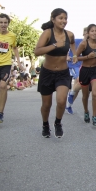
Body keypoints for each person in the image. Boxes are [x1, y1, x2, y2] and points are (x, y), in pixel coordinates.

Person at [34, 8, 77, 138]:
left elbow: (73, 44)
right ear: (53, 19)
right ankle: (45, 124)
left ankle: (58, 123)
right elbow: (37, 51)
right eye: (60, 18)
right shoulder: (47, 33)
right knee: (47, 104)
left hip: (63, 73)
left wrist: (74, 54)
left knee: (62, 100)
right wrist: (54, 45)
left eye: (65, 18)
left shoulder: (69, 35)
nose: (64, 21)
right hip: (47, 73)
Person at [74, 24, 96, 125]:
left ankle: (95, 116)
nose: (94, 33)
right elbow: (76, 58)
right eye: (92, 31)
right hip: (84, 71)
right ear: (88, 33)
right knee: (85, 95)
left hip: (95, 71)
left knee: (95, 93)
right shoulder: (84, 44)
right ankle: (86, 111)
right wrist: (87, 56)